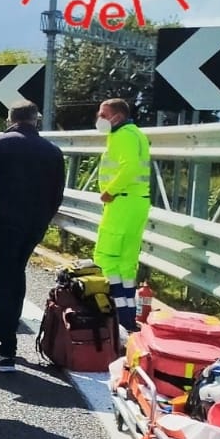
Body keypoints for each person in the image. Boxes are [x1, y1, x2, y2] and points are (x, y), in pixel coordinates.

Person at [0, 100, 66, 370]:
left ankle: (6, 350)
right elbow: (57, 194)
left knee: (4, 281)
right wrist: (42, 220)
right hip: (34, 225)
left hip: (3, 225)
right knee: (16, 275)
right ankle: (9, 343)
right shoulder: (52, 151)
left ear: (10, 119)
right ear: (36, 120)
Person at [94, 96, 152, 332]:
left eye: (103, 115)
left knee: (107, 257)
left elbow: (130, 166)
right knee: (127, 263)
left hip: (122, 202)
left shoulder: (122, 136)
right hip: (136, 203)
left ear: (117, 116)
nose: (100, 119)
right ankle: (126, 316)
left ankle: (108, 313)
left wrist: (110, 191)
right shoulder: (136, 133)